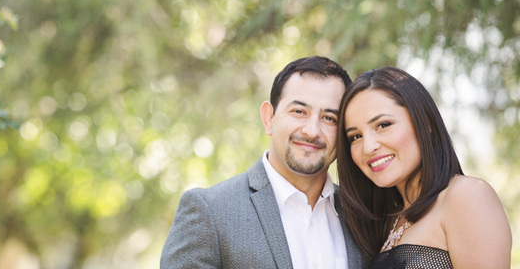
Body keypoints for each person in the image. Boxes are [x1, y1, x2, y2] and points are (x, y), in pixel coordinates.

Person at [161, 56, 366, 269]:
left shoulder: (363, 217)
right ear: (269, 118)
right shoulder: (210, 212)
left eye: (329, 118)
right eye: (299, 112)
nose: (312, 131)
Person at [337, 67, 512, 269]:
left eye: (383, 125)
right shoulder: (390, 220)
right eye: (355, 137)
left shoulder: (466, 195)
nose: (368, 147)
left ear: (424, 121)